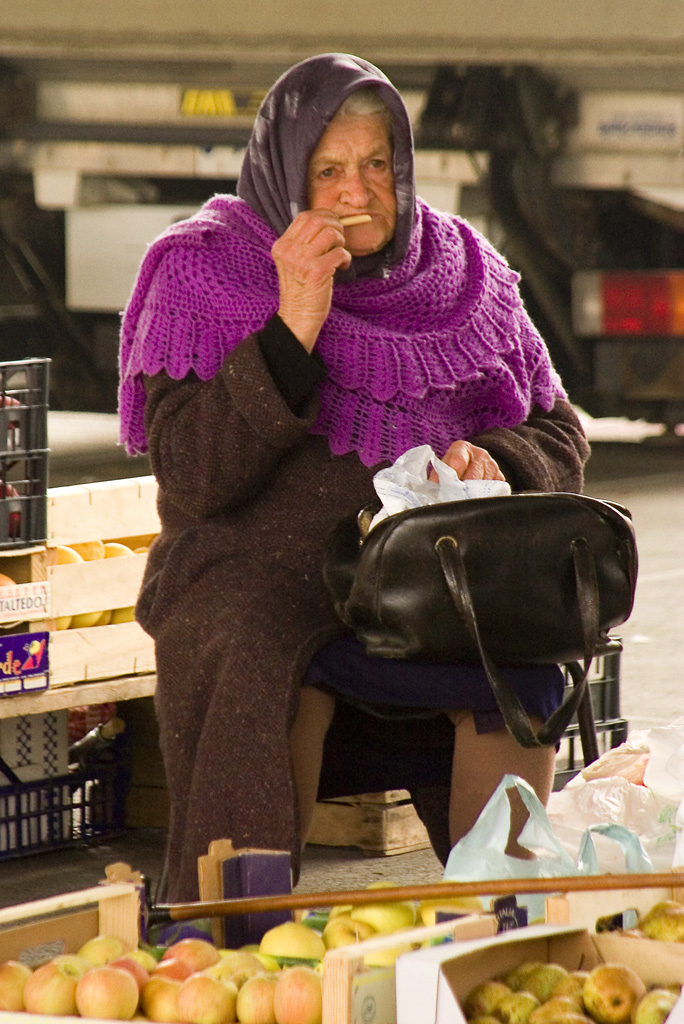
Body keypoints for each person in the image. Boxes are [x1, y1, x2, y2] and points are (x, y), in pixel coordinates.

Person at [118, 53, 590, 902]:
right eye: (327, 171)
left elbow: (557, 430)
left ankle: (509, 918)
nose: (357, 193)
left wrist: (501, 459)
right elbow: (194, 479)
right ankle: (236, 923)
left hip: (429, 583)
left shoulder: (463, 273)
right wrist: (293, 323)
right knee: (254, 643)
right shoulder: (203, 270)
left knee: (522, 665)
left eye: (377, 166)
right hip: (257, 570)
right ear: (283, 174)